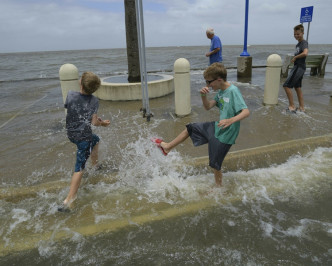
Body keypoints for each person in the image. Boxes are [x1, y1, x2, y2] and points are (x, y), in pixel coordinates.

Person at [152, 63, 249, 187]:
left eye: (209, 82)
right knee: (191, 128)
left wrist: (230, 120)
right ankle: (167, 147)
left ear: (219, 79)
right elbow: (208, 107)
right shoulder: (220, 92)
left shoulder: (233, 91)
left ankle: (218, 188)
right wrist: (203, 96)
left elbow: (246, 112)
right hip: (217, 127)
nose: (208, 85)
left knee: (215, 164)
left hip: (226, 135)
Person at [58, 72, 110, 212]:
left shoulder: (70, 95)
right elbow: (93, 122)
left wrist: (93, 119)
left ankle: (95, 165)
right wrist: (103, 123)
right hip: (83, 138)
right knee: (79, 168)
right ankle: (69, 199)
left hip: (71, 133)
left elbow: (75, 110)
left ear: (80, 83)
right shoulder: (94, 101)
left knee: (96, 140)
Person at [283, 24, 309, 113]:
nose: (296, 36)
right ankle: (302, 108)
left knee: (286, 86)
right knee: (297, 87)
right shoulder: (298, 44)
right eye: (295, 34)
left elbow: (305, 53)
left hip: (299, 67)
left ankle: (292, 106)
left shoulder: (304, 43)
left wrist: (295, 57)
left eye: (298, 34)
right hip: (298, 67)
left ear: (302, 33)